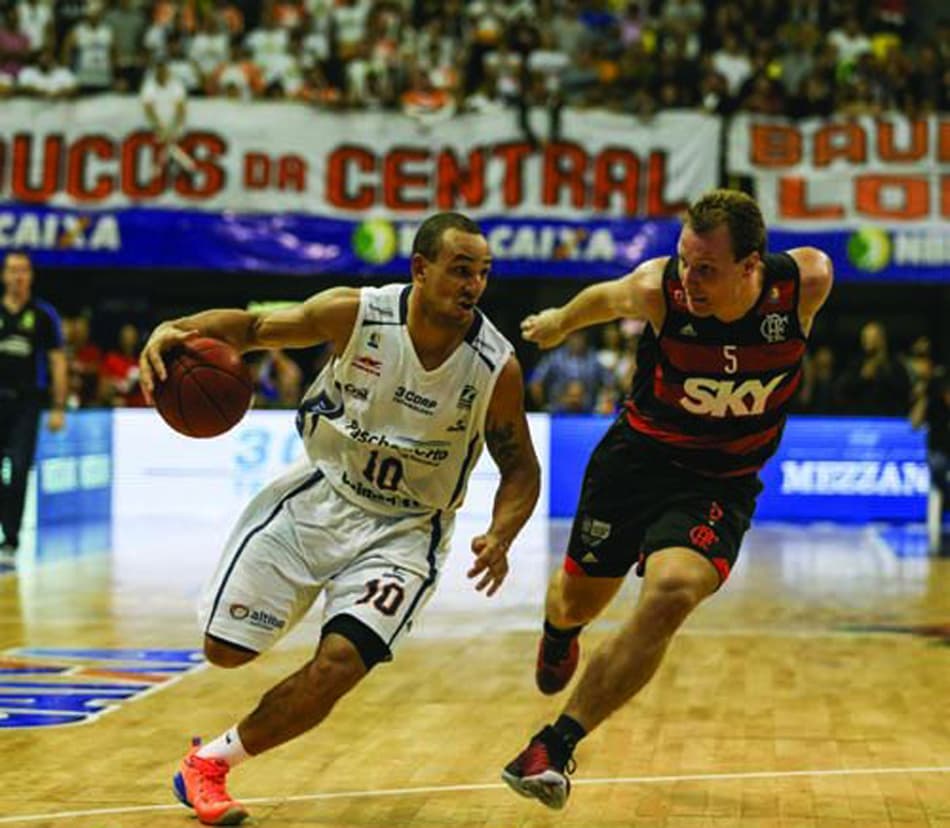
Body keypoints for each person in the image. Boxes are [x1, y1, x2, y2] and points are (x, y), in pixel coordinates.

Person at [138, 212, 541, 826]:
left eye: (483, 273)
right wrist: (175, 329)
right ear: (420, 269)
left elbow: (520, 468)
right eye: (461, 270)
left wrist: (502, 533)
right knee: (224, 651)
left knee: (340, 665)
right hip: (319, 496)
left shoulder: (495, 366)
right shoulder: (355, 314)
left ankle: (208, 765)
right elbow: (249, 328)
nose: (474, 284)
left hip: (408, 533)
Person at [501, 189, 833, 809]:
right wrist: (557, 323)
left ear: (752, 265)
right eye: (685, 260)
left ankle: (554, 746)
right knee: (577, 601)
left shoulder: (807, 282)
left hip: (720, 483)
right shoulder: (661, 290)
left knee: (672, 592)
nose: (690, 277)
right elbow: (603, 299)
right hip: (636, 463)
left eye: (706, 268)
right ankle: (557, 630)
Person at [0, 251, 67, 564]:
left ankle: (11, 540)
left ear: (30, 276)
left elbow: (57, 360)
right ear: (4, 276)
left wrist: (58, 406)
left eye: (23, 271)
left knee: (19, 471)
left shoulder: (43, 314)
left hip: (27, 403)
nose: (17, 277)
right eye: (12, 271)